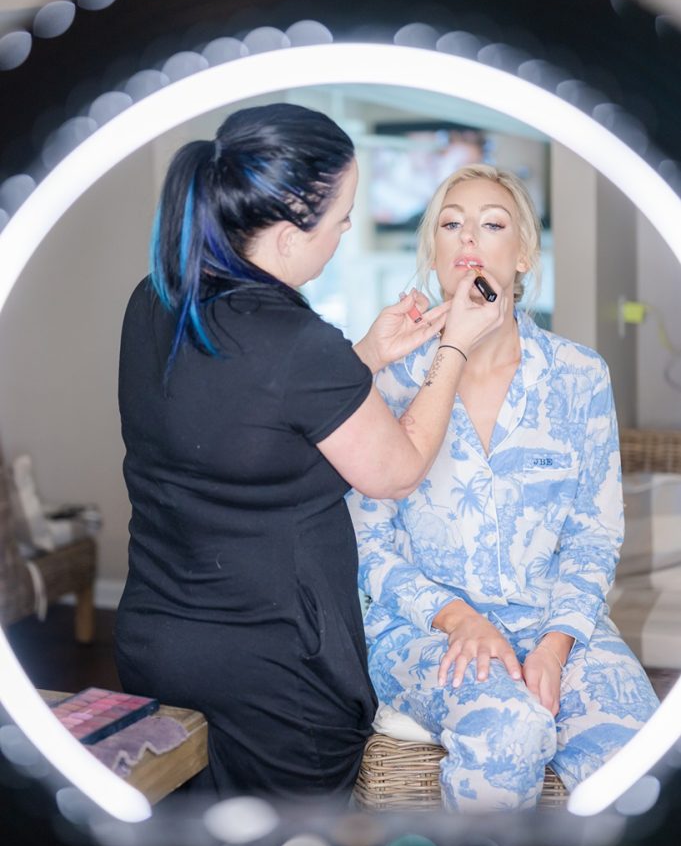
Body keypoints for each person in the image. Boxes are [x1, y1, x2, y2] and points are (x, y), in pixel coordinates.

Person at [114, 104, 505, 801]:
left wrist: (363, 358)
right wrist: (453, 347)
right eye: (342, 217)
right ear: (292, 233)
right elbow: (394, 469)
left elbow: (247, 424)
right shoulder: (298, 345)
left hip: (160, 642)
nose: (348, 229)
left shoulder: (157, 301)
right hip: (273, 671)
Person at [348, 163, 660, 811]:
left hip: (555, 620)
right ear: (432, 253)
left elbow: (593, 532)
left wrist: (554, 645)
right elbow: (367, 545)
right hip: (424, 629)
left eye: (491, 224)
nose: (467, 239)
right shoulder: (387, 377)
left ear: (521, 255)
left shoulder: (578, 375)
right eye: (450, 224)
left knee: (636, 754)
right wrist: (461, 620)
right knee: (511, 731)